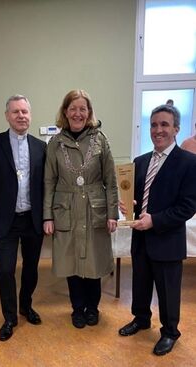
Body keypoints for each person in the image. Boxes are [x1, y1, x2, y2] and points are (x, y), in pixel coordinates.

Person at [118, 104, 196, 356]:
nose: (158, 130)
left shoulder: (189, 163)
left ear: (176, 129)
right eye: (154, 125)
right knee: (140, 282)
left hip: (167, 239)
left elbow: (188, 206)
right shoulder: (140, 162)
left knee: (168, 290)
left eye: (164, 124)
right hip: (141, 237)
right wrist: (128, 205)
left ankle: (170, 332)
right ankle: (141, 319)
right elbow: (139, 198)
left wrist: (155, 220)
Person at [43, 89, 118, 328]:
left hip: (94, 208)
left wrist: (112, 213)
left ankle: (93, 308)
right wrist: (47, 215)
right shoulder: (55, 143)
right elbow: (48, 182)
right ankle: (77, 309)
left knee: (93, 263)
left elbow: (111, 180)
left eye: (82, 109)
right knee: (72, 263)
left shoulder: (101, 140)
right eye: (73, 108)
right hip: (65, 208)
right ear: (65, 111)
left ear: (89, 112)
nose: (77, 113)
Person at [0, 95, 46, 341]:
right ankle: (9, 318)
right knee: (6, 271)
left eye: (24, 111)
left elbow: (46, 187)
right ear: (7, 115)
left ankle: (26, 306)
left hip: (32, 220)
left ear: (30, 115)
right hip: (4, 221)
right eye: (15, 111)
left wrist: (48, 217)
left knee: (31, 268)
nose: (21, 116)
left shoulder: (41, 147)